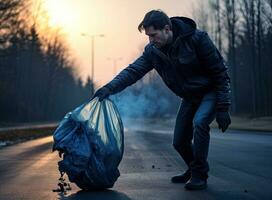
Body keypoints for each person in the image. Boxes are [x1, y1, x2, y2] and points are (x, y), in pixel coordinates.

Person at [92, 10, 231, 190]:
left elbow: (220, 72)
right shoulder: (153, 52)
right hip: (189, 97)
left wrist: (223, 106)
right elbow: (133, 71)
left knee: (200, 122)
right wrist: (108, 88)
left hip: (210, 92)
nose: (151, 40)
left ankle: (199, 175)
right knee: (179, 141)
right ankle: (192, 168)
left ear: (167, 29)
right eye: (148, 36)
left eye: (153, 35)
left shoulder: (197, 39)